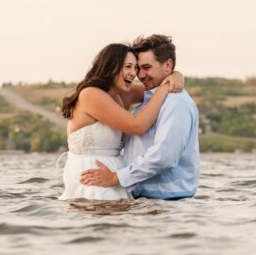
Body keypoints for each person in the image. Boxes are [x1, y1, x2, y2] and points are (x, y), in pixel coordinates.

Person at [80, 34, 200, 200]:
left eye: (146, 67)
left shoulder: (175, 102)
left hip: (168, 201)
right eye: (137, 68)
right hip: (142, 198)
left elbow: (163, 157)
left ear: (168, 65)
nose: (140, 75)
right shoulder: (150, 97)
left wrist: (117, 178)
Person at [58, 43, 184, 201]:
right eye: (128, 67)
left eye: (136, 68)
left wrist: (176, 75)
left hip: (114, 175)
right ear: (111, 67)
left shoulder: (124, 93)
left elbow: (155, 87)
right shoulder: (90, 95)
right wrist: (165, 88)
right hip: (90, 174)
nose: (134, 73)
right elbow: (137, 126)